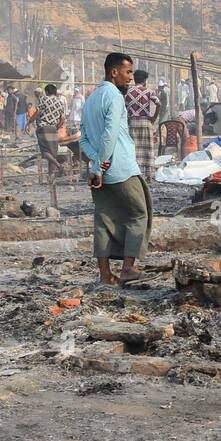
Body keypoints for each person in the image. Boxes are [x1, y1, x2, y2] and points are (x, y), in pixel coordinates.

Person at [80, 52, 153, 287]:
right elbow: (109, 136)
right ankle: (128, 268)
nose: (130, 78)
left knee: (104, 220)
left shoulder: (91, 99)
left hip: (98, 170)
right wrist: (101, 165)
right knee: (139, 213)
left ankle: (105, 275)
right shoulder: (115, 97)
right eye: (128, 72)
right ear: (114, 72)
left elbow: (84, 139)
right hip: (120, 167)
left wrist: (95, 164)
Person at [125, 68, 161, 183]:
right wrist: (153, 117)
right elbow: (158, 104)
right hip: (145, 122)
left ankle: (134, 175)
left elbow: (123, 108)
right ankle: (149, 176)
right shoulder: (149, 91)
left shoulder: (127, 92)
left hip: (132, 122)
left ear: (134, 80)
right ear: (144, 80)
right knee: (148, 149)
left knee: (133, 149)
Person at [34, 83, 67, 175]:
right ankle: (50, 175)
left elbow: (37, 112)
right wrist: (56, 127)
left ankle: (59, 166)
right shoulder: (60, 102)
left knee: (45, 152)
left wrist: (28, 123)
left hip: (43, 127)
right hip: (53, 128)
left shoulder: (43, 99)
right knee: (52, 154)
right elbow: (62, 119)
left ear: (47, 92)